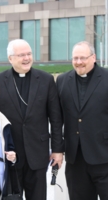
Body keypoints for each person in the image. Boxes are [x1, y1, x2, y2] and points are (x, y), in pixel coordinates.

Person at [0, 39, 64, 200]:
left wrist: (58, 150)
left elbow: (56, 118)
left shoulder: (45, 79)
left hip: (38, 154)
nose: (26, 58)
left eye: (29, 54)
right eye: (21, 55)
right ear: (10, 58)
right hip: (10, 154)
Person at [56, 41, 108, 200]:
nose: (78, 62)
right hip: (75, 159)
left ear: (93, 57)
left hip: (104, 155)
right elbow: (57, 118)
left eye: (83, 58)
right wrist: (57, 149)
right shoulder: (62, 80)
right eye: (75, 58)